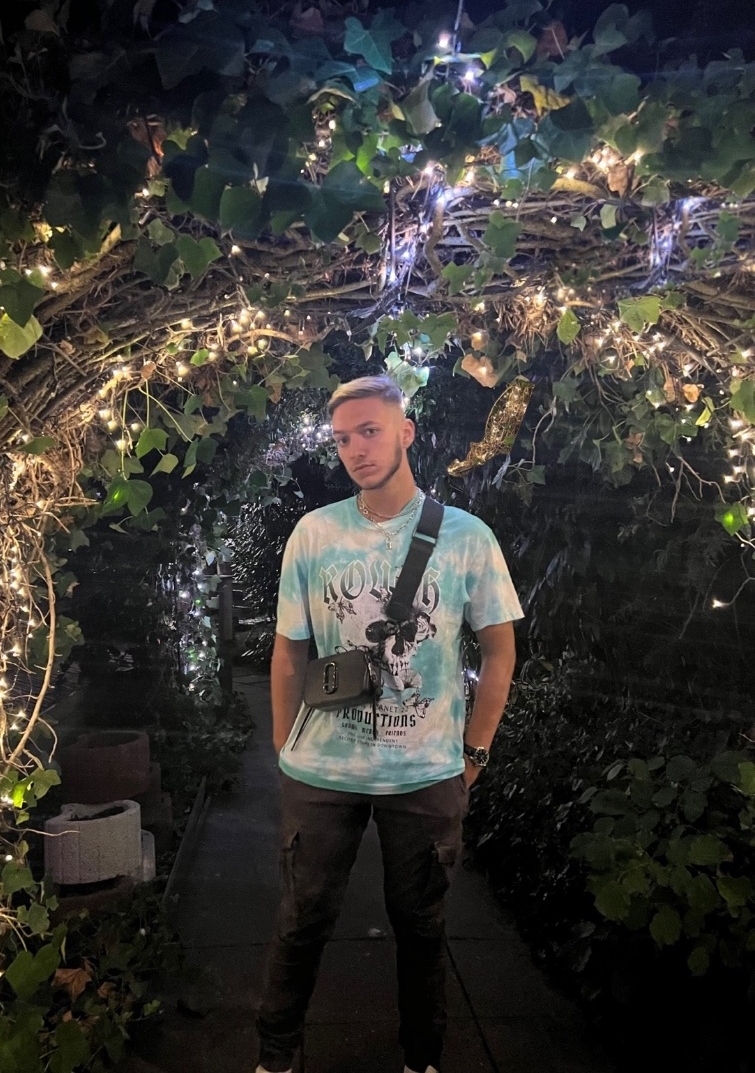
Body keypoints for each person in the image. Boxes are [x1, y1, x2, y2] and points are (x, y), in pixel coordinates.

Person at [255, 375, 523, 1073]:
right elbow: (288, 651)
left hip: (425, 770)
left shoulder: (465, 537)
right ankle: (276, 1056)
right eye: (343, 438)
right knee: (301, 920)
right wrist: (284, 747)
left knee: (422, 926)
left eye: (369, 431)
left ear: (405, 432)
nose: (355, 449)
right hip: (321, 771)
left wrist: (475, 753)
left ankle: (421, 1057)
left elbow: (499, 651)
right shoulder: (315, 533)